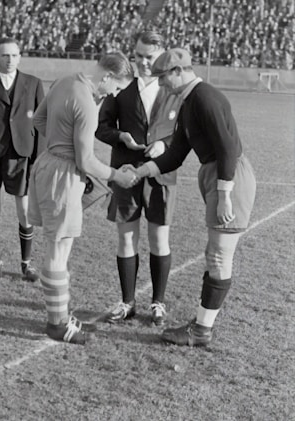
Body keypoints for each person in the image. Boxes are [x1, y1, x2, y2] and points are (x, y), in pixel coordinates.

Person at [132, 48, 256, 346]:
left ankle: (201, 330)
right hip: (217, 175)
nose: (160, 84)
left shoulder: (204, 97)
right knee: (215, 254)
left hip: (229, 177)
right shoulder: (189, 102)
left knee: (218, 254)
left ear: (178, 71)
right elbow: (176, 153)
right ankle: (201, 325)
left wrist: (225, 194)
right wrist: (141, 171)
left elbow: (227, 147)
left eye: (163, 77)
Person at [28, 51, 136, 345]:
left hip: (50, 165)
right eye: (115, 88)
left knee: (59, 245)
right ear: (107, 77)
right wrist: (116, 175)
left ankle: (61, 314)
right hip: (63, 174)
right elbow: (86, 161)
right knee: (58, 249)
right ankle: (57, 323)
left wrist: (58, 143)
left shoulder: (65, 80)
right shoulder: (87, 102)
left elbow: (39, 120)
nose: (113, 94)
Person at [95, 31, 185, 326]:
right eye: (138, 56)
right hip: (126, 174)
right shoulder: (122, 88)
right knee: (127, 238)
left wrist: (165, 144)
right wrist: (121, 135)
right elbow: (102, 128)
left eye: (150, 56)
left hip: (161, 174)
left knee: (159, 239)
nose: (144, 62)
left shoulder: (172, 88)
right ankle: (127, 302)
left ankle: (158, 302)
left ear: (161, 54)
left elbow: (186, 131)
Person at [0, 37, 45, 285]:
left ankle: (26, 264)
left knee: (24, 212)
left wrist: (38, 158)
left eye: (14, 55)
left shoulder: (33, 83)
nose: (10, 60)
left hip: (22, 156)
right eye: (5, 55)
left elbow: (41, 123)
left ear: (20, 57)